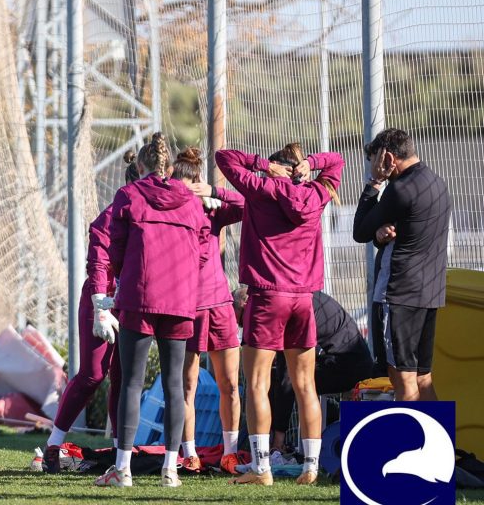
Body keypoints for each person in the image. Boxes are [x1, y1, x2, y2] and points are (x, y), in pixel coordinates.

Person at [217, 143, 343, 486]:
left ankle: (261, 469)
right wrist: (313, 165)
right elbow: (337, 160)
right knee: (306, 385)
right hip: (304, 300)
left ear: (277, 167)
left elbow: (224, 157)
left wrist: (262, 166)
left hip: (268, 297)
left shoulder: (262, 188)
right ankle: (311, 468)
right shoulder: (319, 193)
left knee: (257, 383)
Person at [96, 133, 207, 489]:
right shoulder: (191, 201)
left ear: (139, 166)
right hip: (179, 302)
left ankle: (123, 469)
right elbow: (203, 249)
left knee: (131, 381)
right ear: (169, 167)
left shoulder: (129, 195)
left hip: (140, 298)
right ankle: (171, 469)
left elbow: (115, 248)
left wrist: (125, 276)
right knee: (175, 384)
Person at [41, 153, 138, 474]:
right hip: (103, 303)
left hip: (134, 302)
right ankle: (53, 445)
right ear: (131, 184)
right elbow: (98, 263)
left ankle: (118, 450)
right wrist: (101, 302)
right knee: (93, 373)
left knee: (124, 377)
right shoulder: (110, 217)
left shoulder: (151, 213)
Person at [351, 128, 451, 401]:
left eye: (375, 160)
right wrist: (382, 236)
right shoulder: (436, 182)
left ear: (389, 159)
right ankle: (441, 444)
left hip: (399, 295)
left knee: (402, 380)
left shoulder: (400, 188)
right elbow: (409, 232)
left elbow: (359, 231)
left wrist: (374, 182)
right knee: (423, 378)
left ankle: (409, 443)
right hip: (429, 294)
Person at [172, 148, 245, 474]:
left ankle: (230, 453)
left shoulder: (213, 211)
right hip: (186, 309)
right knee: (187, 385)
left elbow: (247, 204)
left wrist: (215, 192)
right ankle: (190, 454)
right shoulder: (172, 212)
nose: (191, 189)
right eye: (186, 183)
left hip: (219, 306)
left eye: (195, 183)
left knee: (229, 383)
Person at [229, 287, 374, 453]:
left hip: (349, 366)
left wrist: (279, 434)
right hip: (342, 360)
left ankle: (277, 445)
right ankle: (264, 446)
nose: (243, 326)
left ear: (247, 304)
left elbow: (286, 376)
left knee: (279, 378)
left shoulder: (287, 306)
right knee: (270, 377)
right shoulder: (295, 296)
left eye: (242, 321)